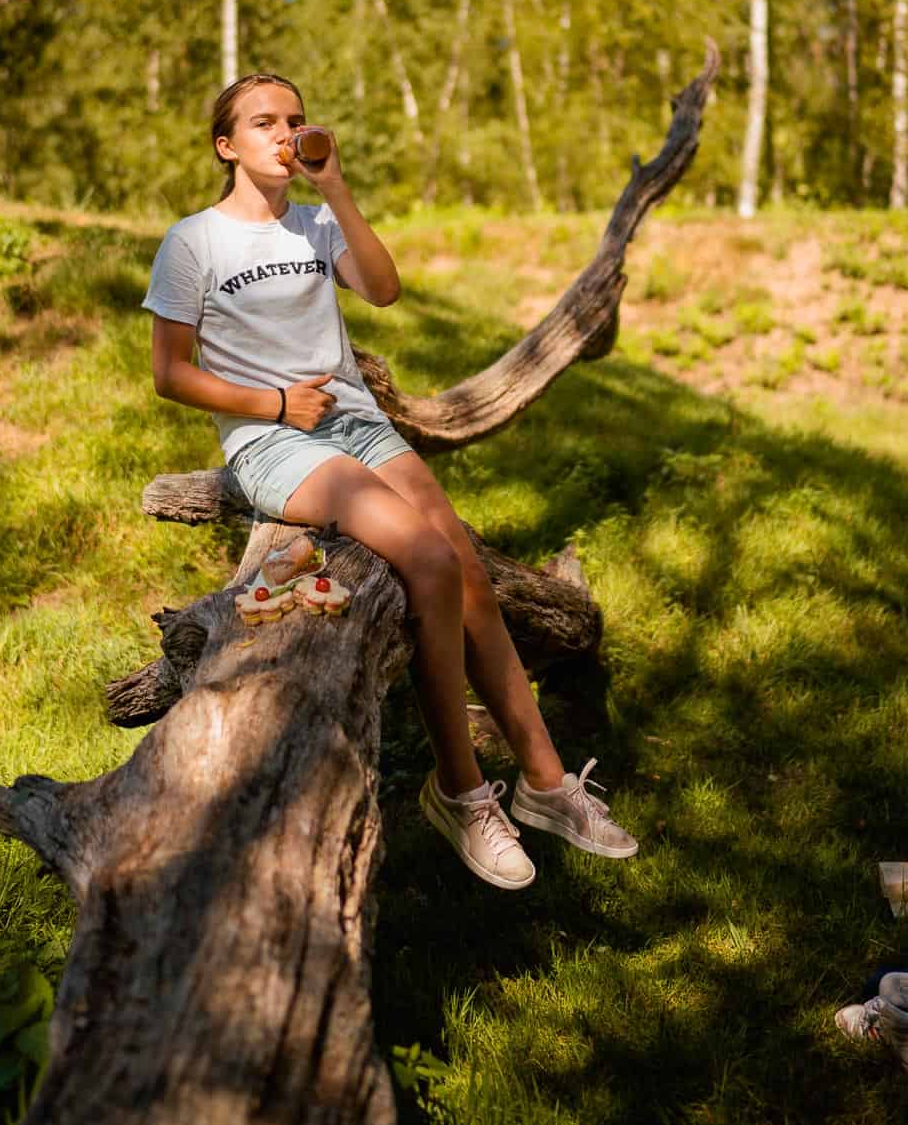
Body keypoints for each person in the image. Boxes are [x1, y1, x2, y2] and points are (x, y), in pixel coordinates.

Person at [142, 72, 638, 889]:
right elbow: (169, 372)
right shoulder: (193, 241)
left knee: (466, 567)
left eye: (294, 120)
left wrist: (333, 187)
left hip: (357, 423)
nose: (284, 133)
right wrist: (269, 401)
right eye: (263, 123)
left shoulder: (312, 223)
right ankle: (459, 789)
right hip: (274, 442)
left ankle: (547, 784)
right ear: (226, 145)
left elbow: (383, 287)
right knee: (430, 560)